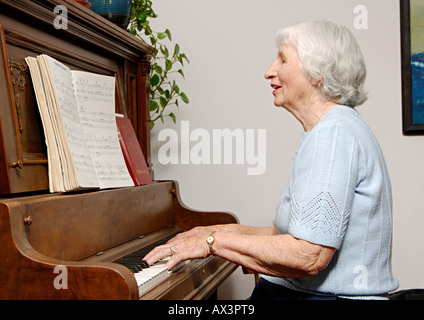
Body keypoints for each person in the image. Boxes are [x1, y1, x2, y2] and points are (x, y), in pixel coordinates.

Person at [144, 19, 399, 300]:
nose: (269, 71)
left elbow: (308, 256)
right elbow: (285, 235)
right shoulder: (331, 128)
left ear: (318, 73)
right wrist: (212, 231)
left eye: (282, 59)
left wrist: (211, 243)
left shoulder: (334, 134)